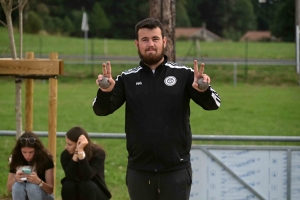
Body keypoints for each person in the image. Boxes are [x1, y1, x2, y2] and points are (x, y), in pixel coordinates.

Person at [92, 18, 221, 200]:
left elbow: (214, 104)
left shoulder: (184, 74)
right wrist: (105, 92)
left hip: (176, 170)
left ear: (164, 42)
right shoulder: (127, 79)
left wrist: (203, 90)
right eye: (144, 40)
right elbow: (100, 110)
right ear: (137, 44)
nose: (150, 44)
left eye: (155, 39)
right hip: (139, 171)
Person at [60, 126, 112, 200]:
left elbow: (87, 176)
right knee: (68, 184)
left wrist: (81, 153)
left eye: (69, 144)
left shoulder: (98, 153)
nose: (66, 147)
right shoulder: (65, 155)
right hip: (75, 190)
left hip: (96, 191)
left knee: (85, 185)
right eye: (67, 143)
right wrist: (75, 155)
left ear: (79, 144)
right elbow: (70, 176)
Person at [6, 132, 55, 200]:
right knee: (17, 186)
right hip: (23, 194)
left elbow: (50, 190)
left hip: (43, 195)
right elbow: (9, 188)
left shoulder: (45, 158)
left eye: (31, 152)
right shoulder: (16, 158)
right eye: (24, 152)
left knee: (31, 186)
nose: (27, 156)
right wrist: (15, 178)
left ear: (37, 150)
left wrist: (39, 182)